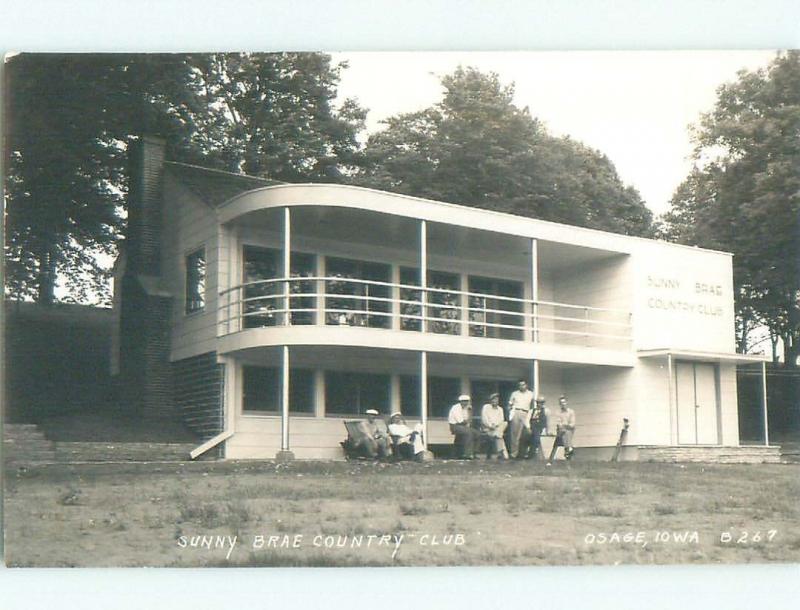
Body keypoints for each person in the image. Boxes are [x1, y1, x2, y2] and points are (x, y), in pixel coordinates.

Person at [507, 380, 535, 458]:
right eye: (520, 385)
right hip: (516, 411)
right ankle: (514, 453)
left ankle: (523, 453)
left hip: (526, 413)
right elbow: (509, 404)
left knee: (525, 433)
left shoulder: (531, 394)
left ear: (526, 385)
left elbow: (533, 405)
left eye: (523, 385)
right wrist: (510, 413)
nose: (521, 386)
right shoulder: (514, 394)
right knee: (514, 434)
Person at [448, 394, 477, 459]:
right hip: (455, 426)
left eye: (467, 401)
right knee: (469, 433)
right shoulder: (456, 408)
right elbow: (461, 421)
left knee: (476, 433)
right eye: (463, 401)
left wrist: (470, 412)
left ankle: (474, 453)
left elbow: (468, 421)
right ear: (460, 401)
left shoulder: (466, 409)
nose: (465, 403)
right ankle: (467, 454)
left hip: (463, 426)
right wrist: (467, 421)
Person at [548, 395, 576, 463]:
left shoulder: (571, 412)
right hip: (561, 431)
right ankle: (569, 449)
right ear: (559, 404)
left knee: (567, 432)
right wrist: (564, 426)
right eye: (561, 403)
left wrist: (565, 426)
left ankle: (568, 450)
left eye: (564, 402)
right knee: (564, 432)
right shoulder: (558, 412)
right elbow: (558, 423)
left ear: (567, 403)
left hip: (569, 431)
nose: (563, 404)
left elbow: (572, 424)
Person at [480, 392, 508, 459]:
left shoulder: (500, 409)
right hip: (488, 428)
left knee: (505, 423)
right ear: (490, 400)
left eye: (496, 400)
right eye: (493, 399)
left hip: (497, 428)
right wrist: (490, 425)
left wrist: (495, 425)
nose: (494, 401)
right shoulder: (486, 407)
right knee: (499, 435)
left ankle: (501, 453)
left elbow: (501, 419)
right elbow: (484, 419)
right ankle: (502, 453)